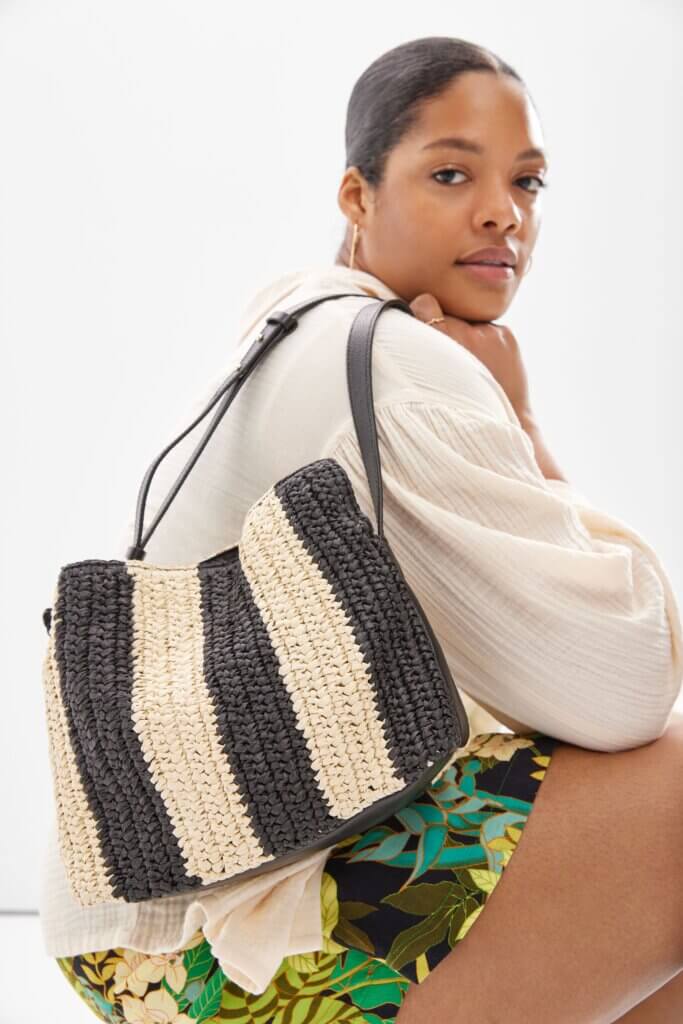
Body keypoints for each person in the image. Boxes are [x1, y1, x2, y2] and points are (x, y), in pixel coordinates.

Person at [48, 36, 683, 1024]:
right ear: (356, 197)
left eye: (527, 181)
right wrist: (523, 430)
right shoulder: (400, 365)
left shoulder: (287, 330)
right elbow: (625, 684)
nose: (500, 212)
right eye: (449, 172)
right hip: (232, 967)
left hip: (129, 943)